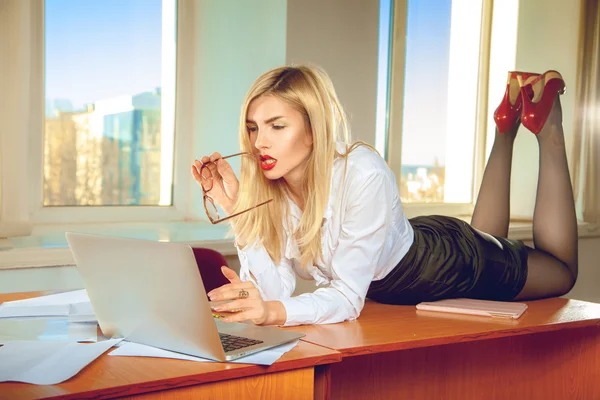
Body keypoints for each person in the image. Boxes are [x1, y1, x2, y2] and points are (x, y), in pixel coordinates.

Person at [191, 65, 577, 327]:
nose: (260, 142)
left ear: (314, 129)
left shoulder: (362, 173)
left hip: (441, 265)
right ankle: (505, 123)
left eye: (277, 126)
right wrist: (239, 213)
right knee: (487, 236)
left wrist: (272, 313)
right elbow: (274, 292)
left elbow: (344, 298)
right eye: (253, 128)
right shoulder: (271, 188)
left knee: (560, 271)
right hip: (409, 255)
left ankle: (548, 125)